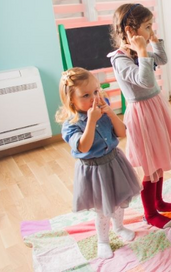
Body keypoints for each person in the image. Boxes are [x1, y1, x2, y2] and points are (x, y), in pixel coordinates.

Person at [109, 3, 171, 229]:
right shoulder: (120, 59)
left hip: (155, 108)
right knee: (151, 166)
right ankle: (150, 213)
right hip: (141, 114)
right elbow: (146, 81)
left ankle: (158, 201)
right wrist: (142, 52)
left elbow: (162, 60)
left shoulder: (139, 51)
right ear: (130, 30)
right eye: (147, 26)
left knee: (159, 160)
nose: (151, 30)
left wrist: (153, 42)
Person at [56, 67, 141, 259]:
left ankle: (119, 227)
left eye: (95, 91)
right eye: (85, 95)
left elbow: (122, 133)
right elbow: (83, 147)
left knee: (119, 202)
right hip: (94, 171)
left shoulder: (103, 109)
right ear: (71, 100)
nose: (94, 98)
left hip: (114, 162)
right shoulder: (71, 124)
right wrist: (92, 122)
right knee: (103, 209)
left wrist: (111, 113)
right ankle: (103, 241)